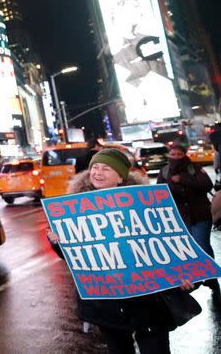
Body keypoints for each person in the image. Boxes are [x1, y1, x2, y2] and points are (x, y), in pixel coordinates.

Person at [48, 148, 198, 353]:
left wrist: (181, 274)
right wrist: (58, 243)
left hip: (148, 299)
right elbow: (76, 257)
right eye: (95, 167)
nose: (97, 172)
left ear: (120, 177)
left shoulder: (146, 204)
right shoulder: (74, 208)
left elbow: (168, 242)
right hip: (107, 300)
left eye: (106, 168)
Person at [157, 144, 219, 299]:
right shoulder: (164, 171)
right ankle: (195, 276)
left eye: (179, 154)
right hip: (179, 218)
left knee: (202, 245)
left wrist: (182, 179)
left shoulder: (194, 168)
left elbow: (206, 185)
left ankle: (211, 276)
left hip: (200, 215)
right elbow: (158, 193)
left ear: (184, 154)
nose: (176, 157)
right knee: (188, 248)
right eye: (173, 154)